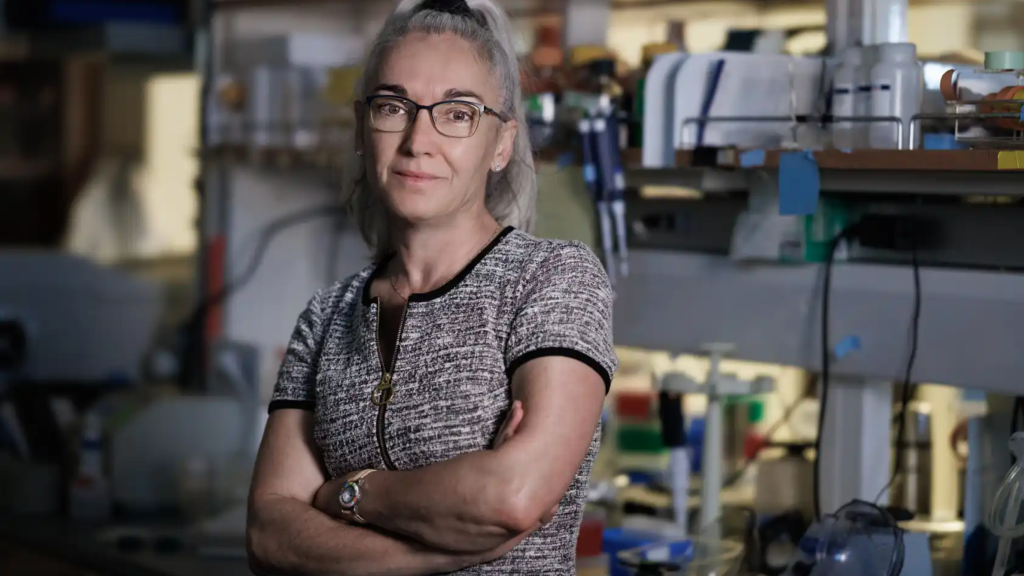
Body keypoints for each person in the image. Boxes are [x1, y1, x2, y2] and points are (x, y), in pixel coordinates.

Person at [245, 0, 617, 574]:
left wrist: (347, 494)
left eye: (458, 112)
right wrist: (433, 553)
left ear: (500, 144)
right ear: (363, 130)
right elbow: (269, 534)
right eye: (394, 107)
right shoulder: (327, 315)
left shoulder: (552, 279)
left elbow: (512, 496)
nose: (419, 140)